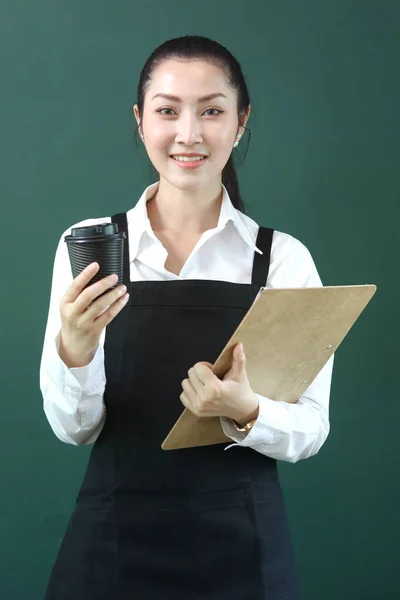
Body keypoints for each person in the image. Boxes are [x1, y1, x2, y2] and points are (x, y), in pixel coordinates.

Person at [40, 34, 334, 600]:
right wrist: (73, 347)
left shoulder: (283, 259)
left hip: (244, 551)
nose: (189, 134)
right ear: (140, 119)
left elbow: (311, 428)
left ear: (241, 121)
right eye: (168, 111)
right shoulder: (88, 246)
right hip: (112, 546)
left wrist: (246, 412)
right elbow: (72, 429)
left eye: (213, 111)